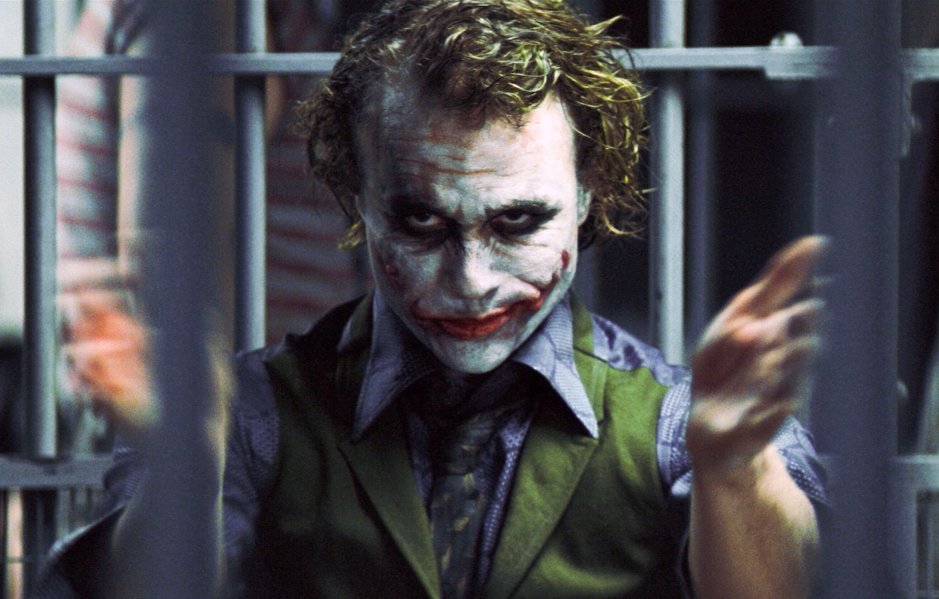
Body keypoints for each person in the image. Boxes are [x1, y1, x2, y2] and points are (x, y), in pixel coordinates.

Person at [42, 1, 828, 597]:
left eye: (518, 222)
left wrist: (737, 469)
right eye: (420, 222)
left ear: (590, 191)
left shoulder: (673, 420)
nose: (471, 281)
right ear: (355, 195)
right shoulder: (253, 415)